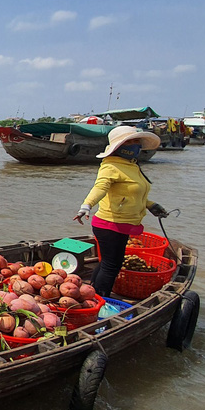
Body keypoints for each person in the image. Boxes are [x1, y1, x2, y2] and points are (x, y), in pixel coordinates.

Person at [74, 125, 170, 297]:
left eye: (137, 141)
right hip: (110, 224)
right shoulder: (110, 166)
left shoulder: (132, 166)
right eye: (130, 142)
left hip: (123, 223)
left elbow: (131, 194)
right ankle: (101, 300)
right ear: (119, 147)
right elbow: (100, 188)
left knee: (107, 264)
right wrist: (86, 206)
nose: (136, 145)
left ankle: (92, 293)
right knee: (112, 265)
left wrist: (151, 205)